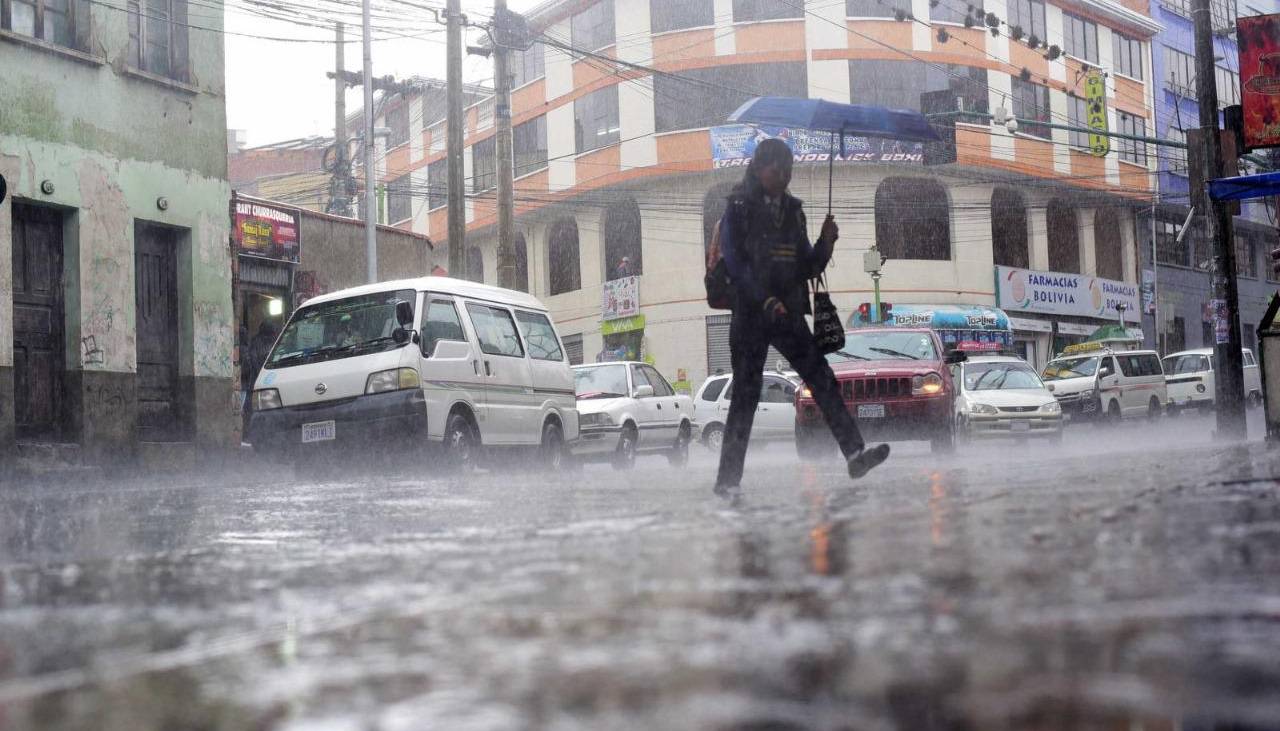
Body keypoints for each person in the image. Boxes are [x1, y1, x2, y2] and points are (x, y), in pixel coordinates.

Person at [714, 138, 889, 495]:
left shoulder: (794, 212)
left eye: (788, 169)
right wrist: (764, 301)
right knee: (746, 395)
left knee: (822, 379)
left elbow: (807, 266)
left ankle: (855, 453)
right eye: (777, 169)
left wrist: (826, 243)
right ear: (759, 168)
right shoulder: (739, 207)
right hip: (751, 315)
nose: (784, 176)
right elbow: (735, 263)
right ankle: (727, 482)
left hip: (789, 312)